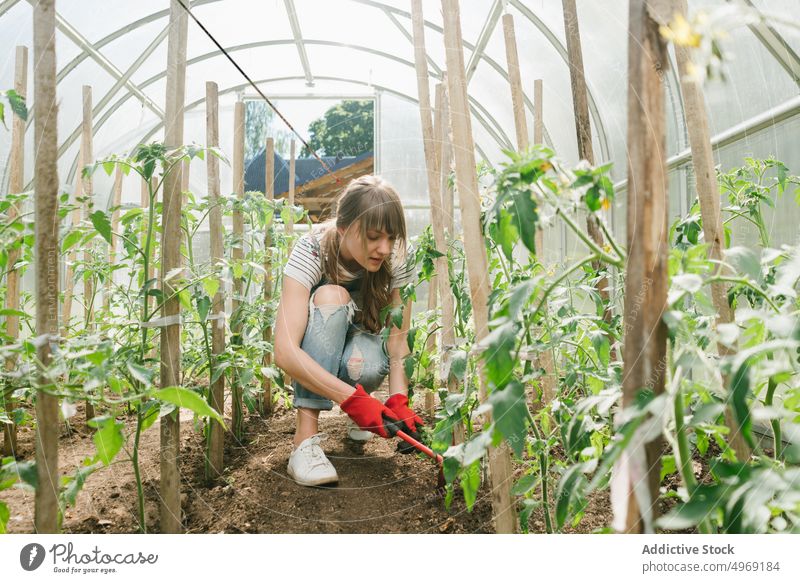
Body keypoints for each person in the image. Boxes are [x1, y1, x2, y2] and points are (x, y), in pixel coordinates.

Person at [274, 175, 425, 487]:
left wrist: (399, 400)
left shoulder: (395, 258)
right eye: (373, 237)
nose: (384, 248)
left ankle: (361, 413)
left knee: (368, 363)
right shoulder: (312, 251)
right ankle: (304, 443)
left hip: (357, 348)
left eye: (391, 238)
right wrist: (354, 401)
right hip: (314, 353)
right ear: (343, 228)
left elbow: (398, 341)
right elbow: (285, 351)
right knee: (332, 297)